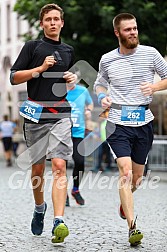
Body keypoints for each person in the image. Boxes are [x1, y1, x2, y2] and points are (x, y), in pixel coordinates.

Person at [94, 13, 167, 246]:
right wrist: (103, 96)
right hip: (117, 121)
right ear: (117, 33)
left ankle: (125, 203)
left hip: (144, 121)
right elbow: (99, 83)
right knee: (125, 173)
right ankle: (132, 226)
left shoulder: (151, 53)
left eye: (135, 28)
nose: (133, 32)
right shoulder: (107, 59)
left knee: (137, 178)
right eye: (128, 30)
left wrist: (154, 86)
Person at [10, 3, 77, 244]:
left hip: (60, 114)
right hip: (35, 115)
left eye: (56, 19)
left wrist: (73, 78)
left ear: (62, 23)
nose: (52, 22)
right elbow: (13, 77)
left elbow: (72, 82)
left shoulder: (69, 51)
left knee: (59, 164)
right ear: (42, 23)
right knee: (38, 170)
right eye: (48, 19)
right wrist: (38, 69)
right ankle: (40, 208)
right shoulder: (33, 47)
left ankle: (59, 220)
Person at [66, 79, 93, 206]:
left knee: (80, 161)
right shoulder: (57, 91)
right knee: (61, 165)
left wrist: (88, 110)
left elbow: (90, 104)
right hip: (61, 133)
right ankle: (62, 193)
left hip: (78, 132)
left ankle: (75, 189)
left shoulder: (82, 90)